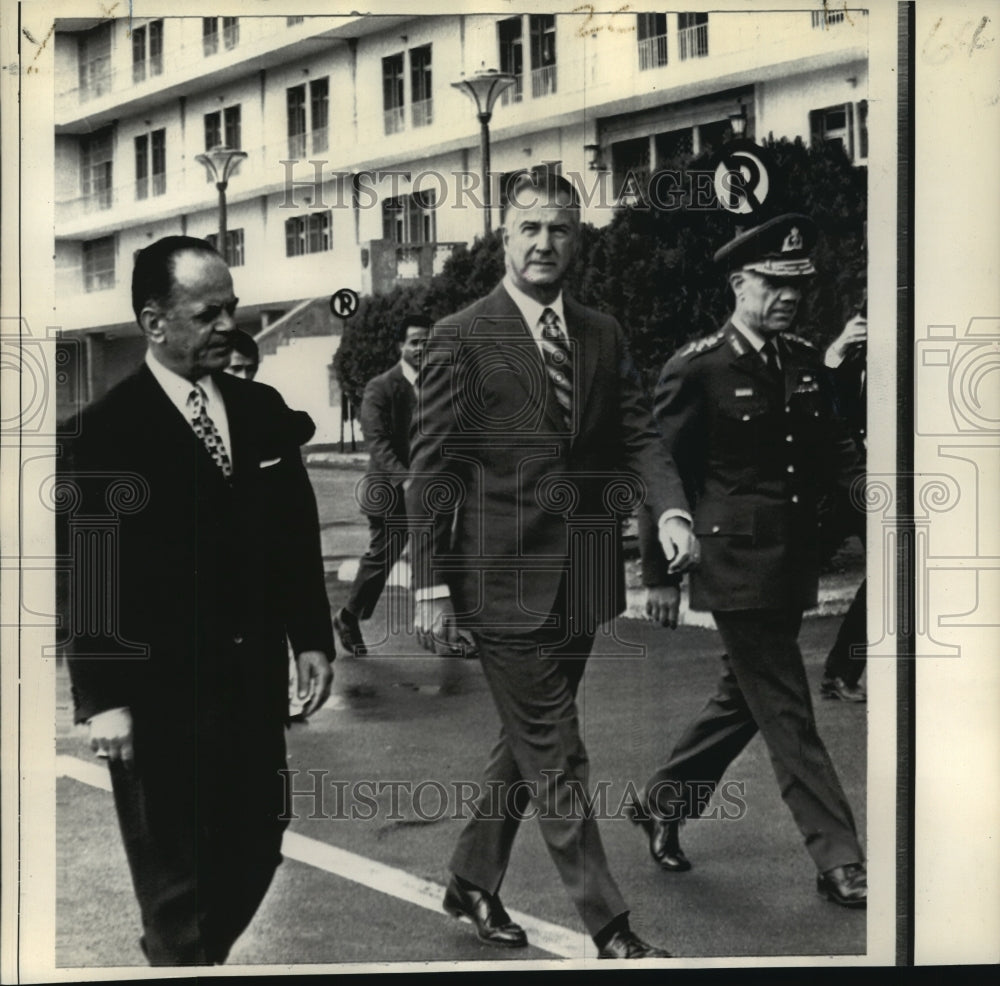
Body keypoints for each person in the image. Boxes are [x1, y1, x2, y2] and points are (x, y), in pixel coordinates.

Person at [407, 171, 696, 959]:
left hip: (585, 576)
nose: (544, 243)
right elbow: (433, 470)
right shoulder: (462, 336)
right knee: (559, 750)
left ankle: (471, 880)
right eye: (529, 228)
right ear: (505, 237)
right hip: (498, 584)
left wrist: (669, 509)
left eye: (560, 229)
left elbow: (639, 435)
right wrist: (430, 583)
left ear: (578, 239)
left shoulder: (602, 333)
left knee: (529, 744)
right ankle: (611, 926)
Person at [58, 236, 335, 965]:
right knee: (177, 875)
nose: (227, 326)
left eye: (231, 309)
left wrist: (312, 637)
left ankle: (182, 956)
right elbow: (88, 575)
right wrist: (104, 697)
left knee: (259, 842)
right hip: (156, 698)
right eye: (209, 313)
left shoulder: (260, 408)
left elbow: (295, 535)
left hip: (249, 687)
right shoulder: (104, 431)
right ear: (155, 322)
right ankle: (181, 957)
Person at [635, 214, 868, 909]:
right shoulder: (698, 367)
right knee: (789, 709)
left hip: (790, 563)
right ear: (740, 284)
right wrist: (658, 576)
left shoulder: (799, 360)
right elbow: (661, 472)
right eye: (773, 283)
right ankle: (839, 856)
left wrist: (880, 503)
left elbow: (837, 456)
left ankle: (660, 802)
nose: (790, 296)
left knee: (746, 699)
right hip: (732, 565)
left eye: (799, 284)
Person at [334, 314, 431, 657]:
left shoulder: (437, 384)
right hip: (391, 491)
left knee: (448, 551)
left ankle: (451, 625)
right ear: (400, 346)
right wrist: (404, 479)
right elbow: (377, 442)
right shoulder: (381, 387)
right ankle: (348, 616)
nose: (422, 348)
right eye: (415, 341)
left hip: (431, 490)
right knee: (383, 556)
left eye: (426, 341)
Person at [819, 313, 868, 703]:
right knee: (794, 566)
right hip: (841, 488)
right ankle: (749, 663)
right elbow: (826, 399)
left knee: (888, 580)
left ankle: (840, 673)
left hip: (876, 490)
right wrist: (839, 347)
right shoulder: (853, 361)